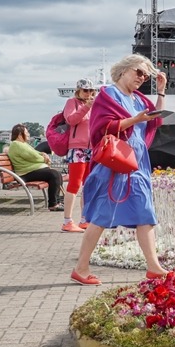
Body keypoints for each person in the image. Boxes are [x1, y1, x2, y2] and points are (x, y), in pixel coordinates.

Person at [70, 54, 169, 286]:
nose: (142, 78)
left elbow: (154, 121)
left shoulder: (139, 99)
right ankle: (81, 268)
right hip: (114, 164)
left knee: (146, 213)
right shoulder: (108, 94)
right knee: (102, 216)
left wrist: (161, 92)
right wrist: (135, 120)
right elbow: (102, 128)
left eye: (146, 75)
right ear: (124, 70)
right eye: (139, 72)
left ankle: (154, 267)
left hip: (137, 162)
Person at [61, 79, 97, 232]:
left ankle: (84, 218)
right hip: (77, 148)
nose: (88, 93)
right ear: (78, 91)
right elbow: (71, 120)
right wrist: (86, 107)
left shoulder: (94, 105)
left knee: (88, 185)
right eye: (85, 90)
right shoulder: (72, 102)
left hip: (91, 149)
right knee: (74, 184)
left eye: (90, 90)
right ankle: (67, 221)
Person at [7, 124, 65, 211]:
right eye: (26, 132)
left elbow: (36, 153)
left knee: (56, 174)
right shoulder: (17, 144)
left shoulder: (22, 144)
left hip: (30, 171)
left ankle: (57, 201)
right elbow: (34, 156)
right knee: (54, 174)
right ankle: (53, 204)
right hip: (25, 173)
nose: (28, 134)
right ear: (19, 134)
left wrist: (43, 154)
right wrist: (44, 159)